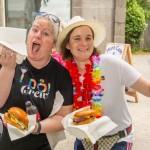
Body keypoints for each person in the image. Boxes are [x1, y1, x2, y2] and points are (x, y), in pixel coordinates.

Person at [54, 16, 150, 150]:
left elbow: (148, 89)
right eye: (77, 38)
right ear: (68, 45)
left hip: (118, 140)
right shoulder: (64, 74)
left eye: (88, 38)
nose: (84, 43)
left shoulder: (112, 63)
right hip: (84, 141)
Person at [0, 12, 73, 150]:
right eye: (34, 29)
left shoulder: (61, 75)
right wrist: (7, 69)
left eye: (46, 34)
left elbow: (64, 116)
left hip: (40, 146)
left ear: (53, 44)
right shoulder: (10, 60)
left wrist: (36, 127)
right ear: (28, 35)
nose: (37, 35)